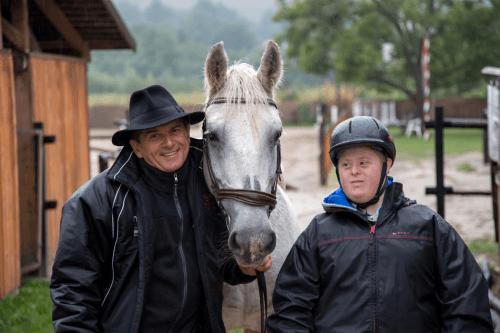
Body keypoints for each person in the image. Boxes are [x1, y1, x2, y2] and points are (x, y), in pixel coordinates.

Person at [50, 85, 271, 332]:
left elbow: (216, 257)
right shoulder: (94, 203)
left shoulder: (208, 184)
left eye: (175, 130)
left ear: (187, 132)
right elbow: (73, 291)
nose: (168, 143)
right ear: (136, 147)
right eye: (154, 135)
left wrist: (242, 267)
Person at [266, 116, 493, 332]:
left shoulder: (427, 227)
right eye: (346, 165)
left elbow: (467, 301)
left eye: (364, 163)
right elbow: (290, 311)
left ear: (388, 163)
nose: (354, 171)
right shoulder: (318, 233)